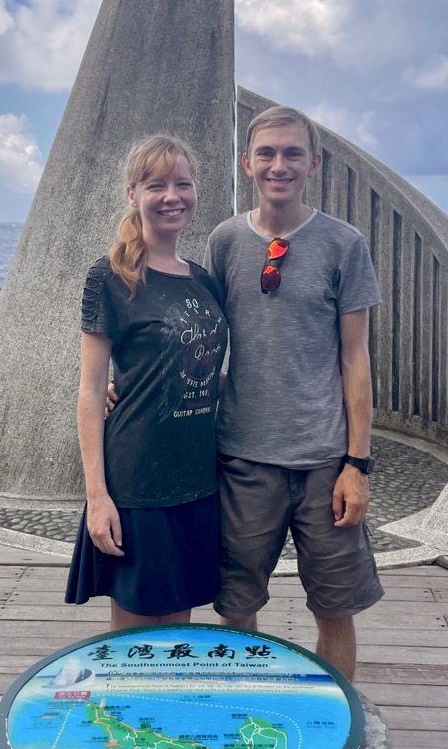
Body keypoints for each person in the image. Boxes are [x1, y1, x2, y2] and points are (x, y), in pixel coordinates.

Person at [204, 106, 383, 681]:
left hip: (324, 461)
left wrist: (357, 464)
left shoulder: (343, 243)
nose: (278, 165)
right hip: (243, 457)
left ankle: (340, 718)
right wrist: (125, 382)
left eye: (292, 153)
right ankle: (242, 708)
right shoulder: (225, 241)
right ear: (247, 162)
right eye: (267, 153)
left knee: (335, 607)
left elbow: (356, 358)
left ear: (314, 163)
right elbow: (198, 335)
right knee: (236, 606)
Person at [65, 134, 228, 629]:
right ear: (132, 195)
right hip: (137, 479)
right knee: (134, 640)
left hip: (198, 477)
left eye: (182, 183)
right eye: (156, 185)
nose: (171, 196)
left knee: (179, 627)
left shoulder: (202, 279)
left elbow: (204, 371)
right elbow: (91, 389)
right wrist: (98, 497)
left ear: (195, 191)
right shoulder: (111, 276)